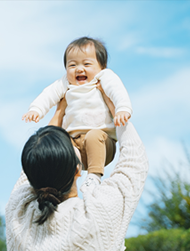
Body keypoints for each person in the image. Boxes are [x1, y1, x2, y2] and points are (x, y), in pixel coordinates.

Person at [5, 121, 148, 251]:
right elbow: (134, 161)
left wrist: (59, 114)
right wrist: (118, 111)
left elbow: (36, 161)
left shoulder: (17, 216)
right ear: (77, 170)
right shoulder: (98, 212)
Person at [22, 37, 133, 181]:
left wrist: (122, 109)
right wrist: (36, 109)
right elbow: (49, 94)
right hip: (74, 142)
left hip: (102, 143)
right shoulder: (66, 83)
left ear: (101, 66)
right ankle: (68, 179)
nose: (79, 69)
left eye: (87, 64)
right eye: (72, 65)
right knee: (61, 144)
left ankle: (93, 177)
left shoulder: (103, 78)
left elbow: (117, 90)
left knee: (94, 136)